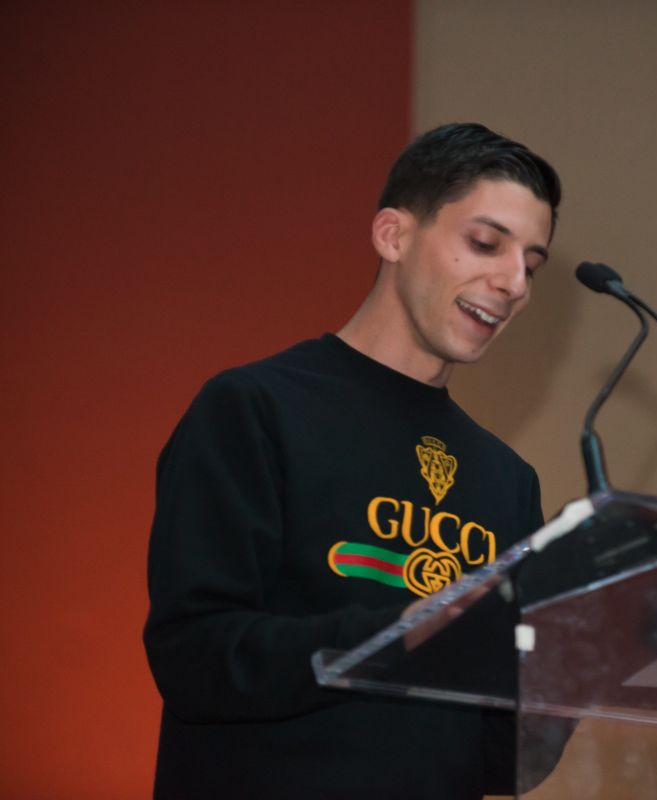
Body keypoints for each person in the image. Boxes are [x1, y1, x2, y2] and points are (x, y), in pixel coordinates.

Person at [143, 122, 562, 799]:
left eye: (531, 266)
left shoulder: (508, 480)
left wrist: (569, 671)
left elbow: (504, 763)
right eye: (485, 243)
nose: (513, 283)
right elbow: (196, 659)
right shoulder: (253, 408)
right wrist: (398, 634)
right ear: (393, 235)